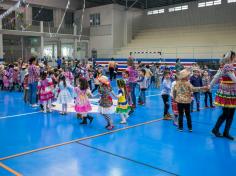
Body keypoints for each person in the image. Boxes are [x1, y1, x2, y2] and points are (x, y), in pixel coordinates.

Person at [211, 51, 236, 140]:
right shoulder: (227, 66)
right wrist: (210, 86)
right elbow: (234, 79)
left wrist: (210, 85)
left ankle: (226, 132)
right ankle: (216, 129)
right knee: (226, 113)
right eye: (234, 57)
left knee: (231, 113)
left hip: (232, 93)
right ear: (231, 57)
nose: (235, 58)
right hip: (228, 93)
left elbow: (216, 77)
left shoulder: (225, 66)